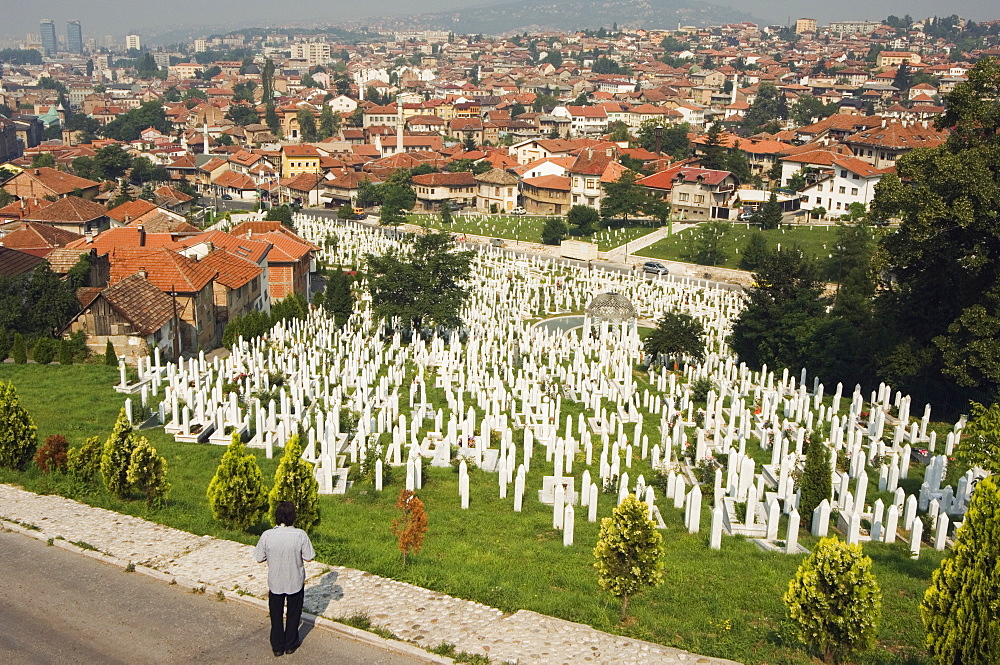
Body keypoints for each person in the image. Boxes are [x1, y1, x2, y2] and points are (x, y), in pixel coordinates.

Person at [255, 502, 315, 657]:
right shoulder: (300, 535)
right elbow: (309, 557)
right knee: (294, 615)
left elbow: (259, 558)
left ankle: (277, 646)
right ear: (293, 517)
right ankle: (290, 644)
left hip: (275, 581)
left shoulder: (267, 535)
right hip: (295, 580)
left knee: (276, 615)